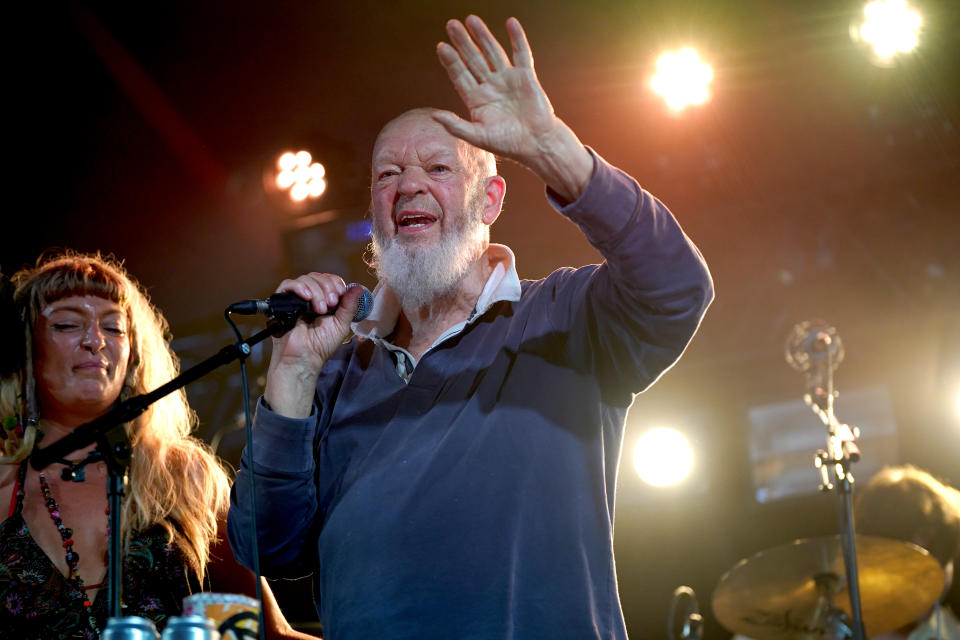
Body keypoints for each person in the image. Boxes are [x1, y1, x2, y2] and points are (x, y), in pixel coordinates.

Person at [228, 14, 713, 639]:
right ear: (373, 211)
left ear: (491, 201)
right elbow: (266, 550)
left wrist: (555, 152)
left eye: (437, 169)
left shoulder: (563, 317)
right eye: (386, 174)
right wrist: (292, 372)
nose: (408, 186)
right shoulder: (337, 372)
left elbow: (677, 286)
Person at [0, 252, 317, 639]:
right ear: (24, 350)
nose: (95, 341)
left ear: (133, 356)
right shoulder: (4, 481)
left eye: (114, 328)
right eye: (68, 324)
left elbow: (266, 633)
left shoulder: (185, 477)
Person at [855, 465, 960, 640]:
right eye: (914, 569)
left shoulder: (951, 632)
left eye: (939, 564)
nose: (929, 585)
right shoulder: (837, 626)